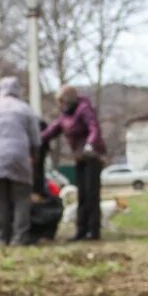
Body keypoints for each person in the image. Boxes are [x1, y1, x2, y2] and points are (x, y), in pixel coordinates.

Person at [0, 76, 42, 246]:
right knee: (21, 198)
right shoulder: (25, 109)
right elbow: (36, 139)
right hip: (19, 158)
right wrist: (34, 156)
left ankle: (2, 236)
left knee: (0, 199)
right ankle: (20, 237)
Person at [41, 84, 106, 241]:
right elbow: (52, 130)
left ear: (69, 100)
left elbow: (94, 128)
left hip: (92, 157)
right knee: (82, 195)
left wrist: (90, 144)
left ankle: (93, 231)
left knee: (91, 194)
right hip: (79, 158)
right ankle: (81, 230)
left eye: (62, 101)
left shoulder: (84, 109)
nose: (61, 105)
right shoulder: (65, 116)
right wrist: (36, 139)